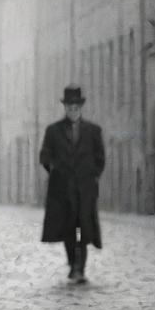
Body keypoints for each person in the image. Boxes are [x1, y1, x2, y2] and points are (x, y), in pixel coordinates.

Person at [39, 84, 105, 283]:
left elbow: (100, 158)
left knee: (84, 227)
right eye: (69, 107)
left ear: (81, 108)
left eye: (76, 107)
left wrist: (92, 176)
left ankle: (80, 268)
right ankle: (71, 264)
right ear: (65, 108)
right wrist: (55, 172)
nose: (73, 111)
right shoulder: (53, 131)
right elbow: (44, 156)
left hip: (85, 189)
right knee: (68, 228)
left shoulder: (93, 131)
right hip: (62, 189)